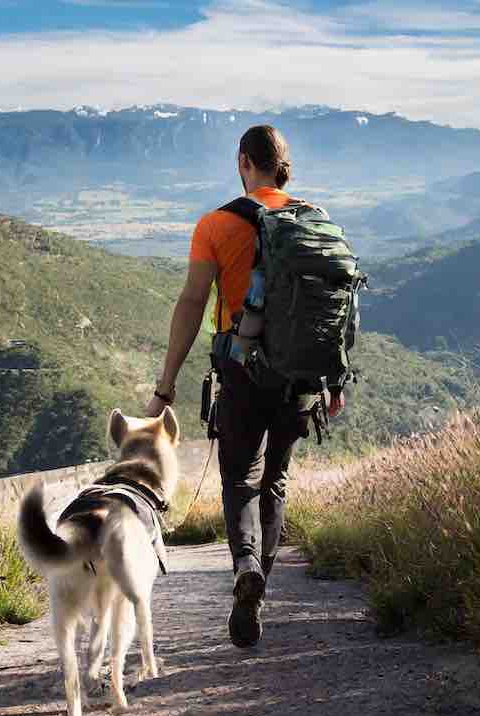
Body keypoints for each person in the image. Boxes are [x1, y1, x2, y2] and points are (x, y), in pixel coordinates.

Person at [144, 124, 345, 648]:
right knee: (276, 478)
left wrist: (165, 387)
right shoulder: (316, 221)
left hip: (240, 367)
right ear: (284, 166)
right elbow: (336, 305)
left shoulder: (215, 224)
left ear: (242, 162)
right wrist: (334, 377)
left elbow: (191, 305)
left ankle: (245, 566)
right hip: (302, 373)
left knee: (239, 478)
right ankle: (259, 585)